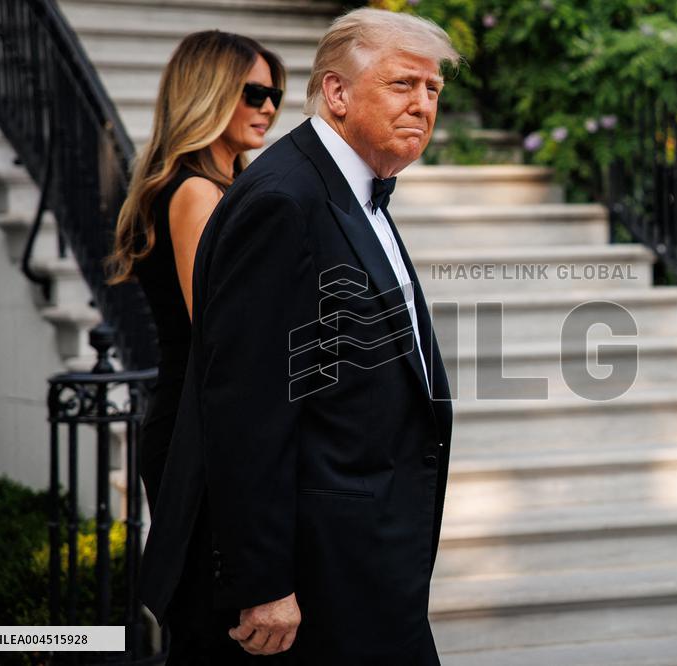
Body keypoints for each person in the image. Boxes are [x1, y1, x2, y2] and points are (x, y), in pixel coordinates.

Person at [137, 8, 458, 664]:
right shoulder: (283, 200)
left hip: (364, 552)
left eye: (433, 90)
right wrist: (263, 582)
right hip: (315, 572)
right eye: (403, 84)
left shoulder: (349, 187)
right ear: (337, 93)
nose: (423, 104)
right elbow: (246, 404)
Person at [104, 30, 285, 662]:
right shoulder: (196, 193)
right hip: (198, 426)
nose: (268, 106)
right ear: (208, 93)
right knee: (215, 626)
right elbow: (224, 332)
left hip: (198, 416)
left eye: (276, 94)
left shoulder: (213, 188)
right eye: (254, 91)